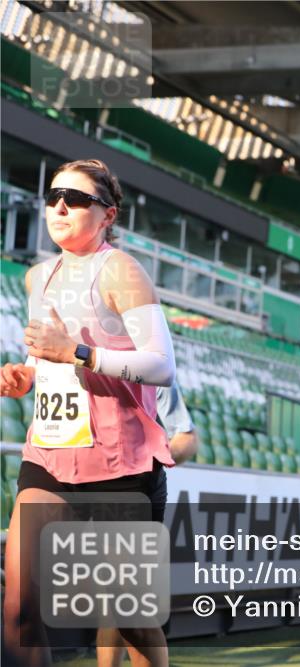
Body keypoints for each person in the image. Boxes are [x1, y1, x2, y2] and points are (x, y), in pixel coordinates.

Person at [1, 159, 176, 667]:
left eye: (76, 199)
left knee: (130, 620)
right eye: (54, 195)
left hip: (119, 465)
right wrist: (24, 375)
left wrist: (78, 352)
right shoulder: (39, 276)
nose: (60, 205)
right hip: (50, 456)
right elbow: (43, 353)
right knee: (19, 608)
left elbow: (162, 366)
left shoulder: (120, 269)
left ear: (107, 215)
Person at [99, 382, 198, 667]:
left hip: (135, 487)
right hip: (85, 479)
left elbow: (186, 437)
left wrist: (148, 460)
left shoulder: (153, 364)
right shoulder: (76, 358)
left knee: (128, 601)